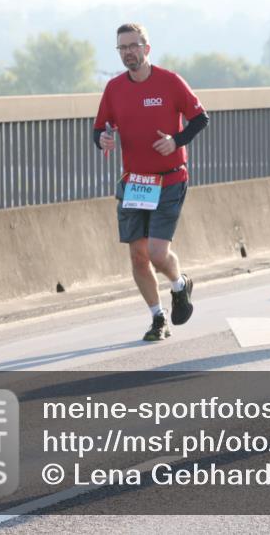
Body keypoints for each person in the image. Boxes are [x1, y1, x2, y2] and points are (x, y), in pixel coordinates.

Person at [94, 23, 208, 341]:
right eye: (123, 48)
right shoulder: (114, 88)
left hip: (170, 180)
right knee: (138, 256)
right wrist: (102, 139)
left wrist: (176, 140)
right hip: (135, 183)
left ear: (147, 48)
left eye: (134, 45)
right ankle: (158, 318)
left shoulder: (170, 82)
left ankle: (179, 284)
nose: (129, 52)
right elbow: (100, 127)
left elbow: (201, 118)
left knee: (158, 253)